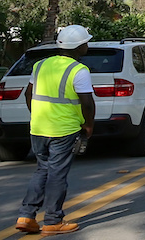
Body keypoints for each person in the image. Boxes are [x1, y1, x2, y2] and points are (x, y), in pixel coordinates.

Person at [14, 24, 96, 235]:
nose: (87, 45)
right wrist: (88, 125)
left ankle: (26, 216)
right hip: (64, 129)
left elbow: (28, 94)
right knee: (57, 174)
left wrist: (38, 115)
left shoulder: (41, 65)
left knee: (42, 169)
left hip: (38, 128)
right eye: (86, 42)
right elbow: (87, 102)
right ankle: (53, 220)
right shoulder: (79, 70)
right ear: (79, 47)